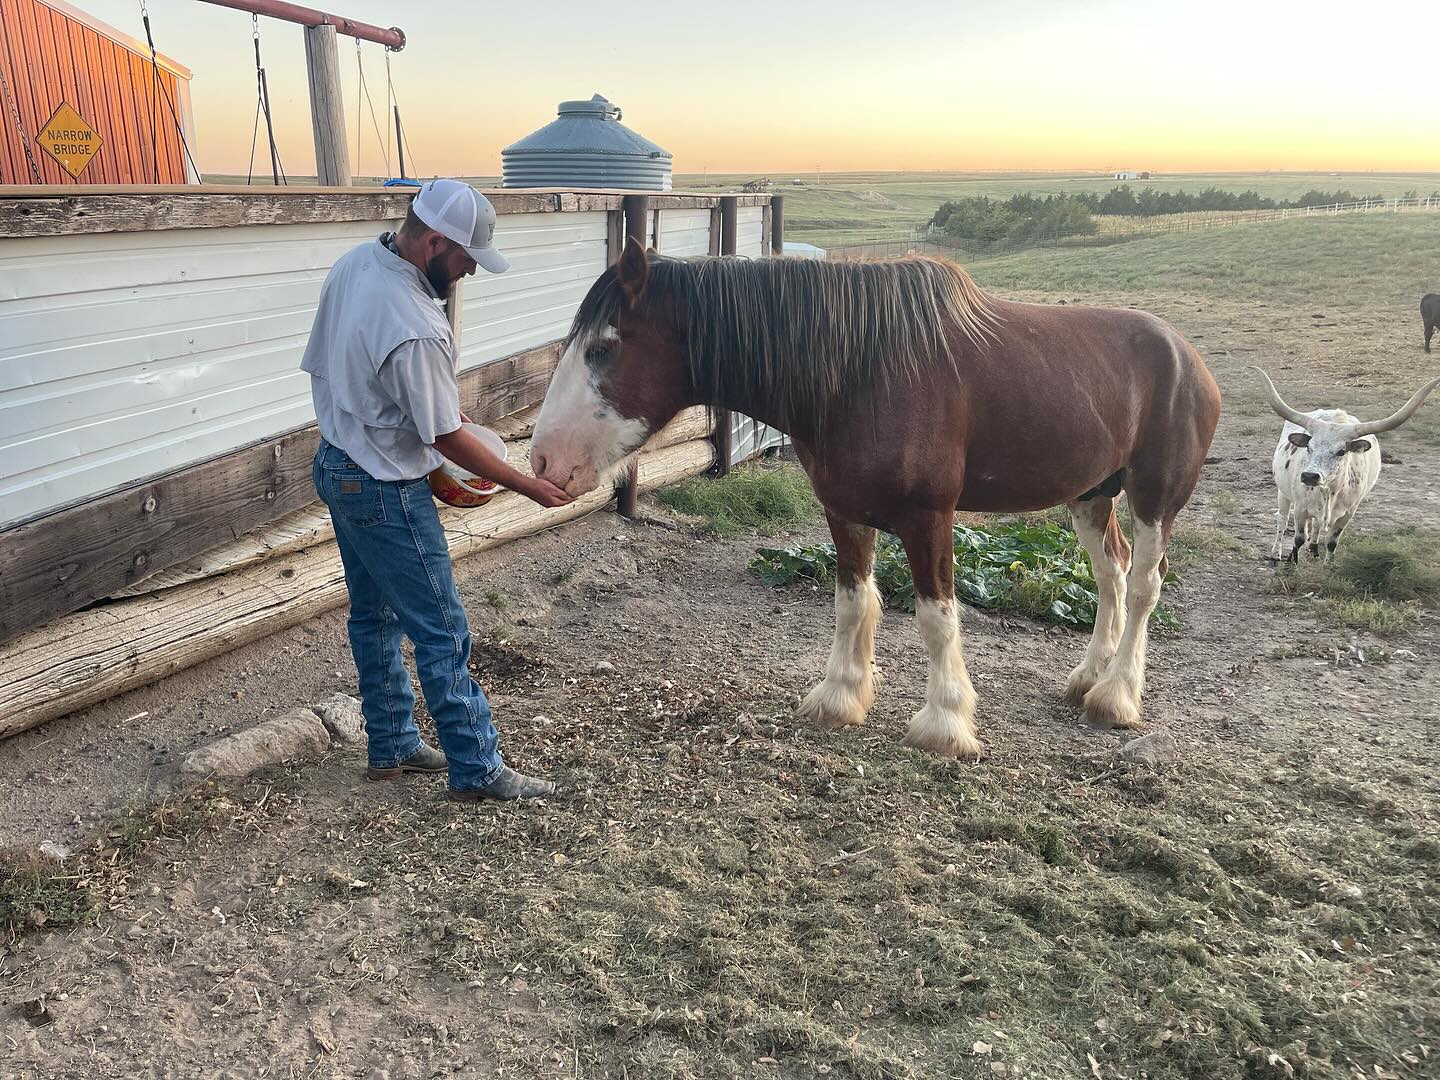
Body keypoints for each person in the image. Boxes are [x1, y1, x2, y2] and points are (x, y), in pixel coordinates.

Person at [301, 179, 571, 801]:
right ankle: (477, 769)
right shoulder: (414, 323)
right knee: (442, 628)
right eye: (467, 257)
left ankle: (392, 742)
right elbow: (446, 436)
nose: (471, 270)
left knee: (375, 615)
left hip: (339, 460)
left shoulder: (356, 264)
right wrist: (527, 485)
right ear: (433, 243)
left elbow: (331, 368)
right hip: (384, 486)